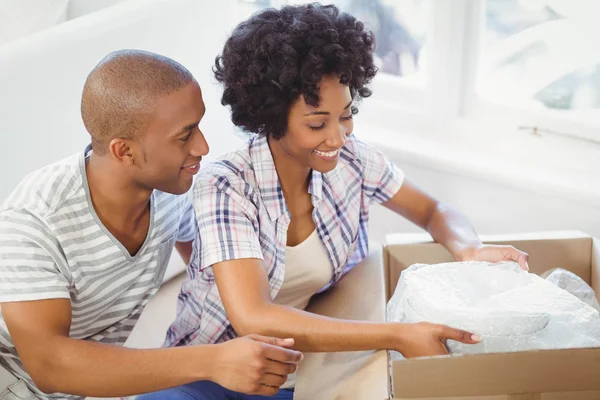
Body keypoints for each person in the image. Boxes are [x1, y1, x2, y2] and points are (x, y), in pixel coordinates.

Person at [149, 3, 530, 399]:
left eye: (346, 115)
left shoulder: (353, 159)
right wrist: (397, 335)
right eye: (317, 123)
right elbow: (253, 317)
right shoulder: (226, 185)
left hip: (303, 373)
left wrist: (469, 247)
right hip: (212, 372)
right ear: (272, 116)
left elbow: (433, 210)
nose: (337, 137)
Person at [0, 49, 301, 400]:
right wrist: (212, 361)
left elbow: (210, 271)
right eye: (184, 136)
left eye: (199, 126)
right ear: (124, 152)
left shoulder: (170, 193)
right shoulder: (35, 223)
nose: (203, 146)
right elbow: (50, 367)